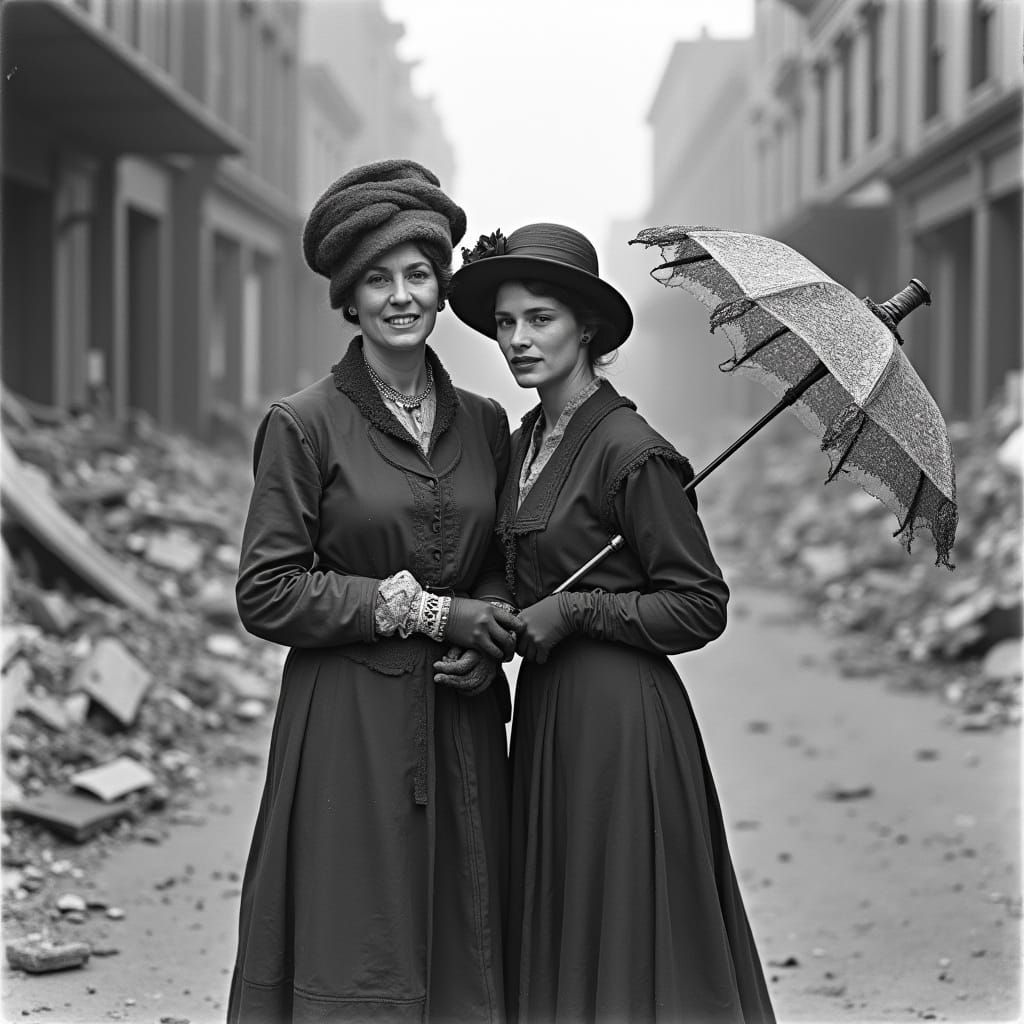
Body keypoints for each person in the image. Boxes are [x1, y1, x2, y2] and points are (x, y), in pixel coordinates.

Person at [448, 223, 776, 1023]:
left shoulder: (634, 453)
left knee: (629, 943)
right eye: (504, 324)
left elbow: (701, 603)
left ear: (586, 328)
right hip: (551, 716)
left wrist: (577, 607)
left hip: (624, 723)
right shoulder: (521, 440)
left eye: (540, 320)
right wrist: (495, 636)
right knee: (564, 928)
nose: (518, 341)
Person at [227, 160, 520, 1024]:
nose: (402, 296)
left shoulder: (485, 420)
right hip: (347, 728)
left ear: (441, 289)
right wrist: (430, 612)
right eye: (378, 280)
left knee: (466, 940)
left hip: (460, 724)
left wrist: (481, 635)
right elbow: (268, 591)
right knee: (358, 943)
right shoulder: (303, 423)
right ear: (348, 300)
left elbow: (495, 558)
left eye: (419, 275)